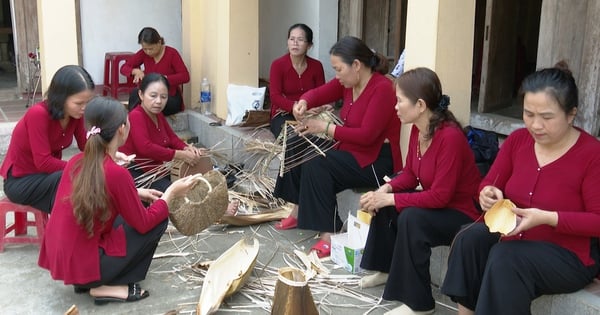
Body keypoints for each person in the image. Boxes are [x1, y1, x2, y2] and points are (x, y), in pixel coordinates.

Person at [441, 62, 600, 315]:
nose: (536, 125)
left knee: (507, 258)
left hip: (569, 255)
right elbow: (489, 183)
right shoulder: (518, 141)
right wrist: (487, 194)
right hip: (514, 237)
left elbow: (597, 220)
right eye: (528, 114)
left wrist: (547, 218)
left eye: (547, 117)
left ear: (571, 114)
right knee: (469, 239)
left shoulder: (592, 154)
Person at [38, 96, 198, 305]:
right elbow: (143, 223)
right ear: (122, 129)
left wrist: (136, 192)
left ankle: (87, 280)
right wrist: (171, 193)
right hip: (86, 263)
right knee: (157, 218)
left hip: (64, 260)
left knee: (130, 212)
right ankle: (103, 285)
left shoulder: (76, 161)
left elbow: (99, 192)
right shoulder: (115, 173)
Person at [358, 67, 482, 315]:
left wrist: (391, 198)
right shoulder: (418, 128)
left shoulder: (450, 138)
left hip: (463, 213)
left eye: (400, 101)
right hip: (440, 205)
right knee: (385, 203)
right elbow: (411, 174)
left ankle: (420, 303)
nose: (395, 107)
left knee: (411, 217)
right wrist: (386, 188)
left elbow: (440, 196)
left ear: (421, 105)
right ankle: (385, 268)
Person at [273, 36, 403, 256]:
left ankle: (330, 232)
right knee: (296, 141)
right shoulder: (348, 83)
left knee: (317, 163)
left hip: (374, 160)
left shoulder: (382, 89)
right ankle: (298, 208)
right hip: (350, 150)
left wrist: (324, 128)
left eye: (339, 69)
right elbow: (321, 92)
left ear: (356, 66)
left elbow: (367, 137)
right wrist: (303, 101)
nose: (337, 75)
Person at [0, 65, 95, 213]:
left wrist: (109, 153)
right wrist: (80, 166)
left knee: (87, 180)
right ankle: (64, 229)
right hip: (21, 181)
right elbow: (43, 162)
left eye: (87, 102)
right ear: (61, 98)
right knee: (73, 179)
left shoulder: (75, 115)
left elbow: (86, 145)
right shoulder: (38, 115)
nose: (84, 108)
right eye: (79, 103)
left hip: (48, 177)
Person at [119, 73, 205, 192]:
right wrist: (179, 154)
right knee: (177, 193)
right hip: (138, 173)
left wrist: (187, 148)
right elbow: (145, 148)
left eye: (163, 97)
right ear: (141, 94)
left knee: (195, 182)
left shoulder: (158, 114)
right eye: (153, 96)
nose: (159, 101)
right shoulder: (136, 116)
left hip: (156, 170)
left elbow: (172, 138)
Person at [269, 23, 325, 137]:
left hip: (310, 112)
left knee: (325, 135)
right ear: (287, 42)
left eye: (300, 39)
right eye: (292, 39)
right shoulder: (278, 65)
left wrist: (321, 106)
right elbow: (275, 96)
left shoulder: (316, 66)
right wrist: (294, 107)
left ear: (309, 45)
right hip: (284, 113)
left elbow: (321, 93)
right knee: (294, 137)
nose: (295, 43)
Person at [121, 27, 190, 116]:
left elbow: (185, 76)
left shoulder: (172, 53)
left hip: (168, 98)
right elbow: (124, 68)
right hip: (149, 96)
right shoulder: (143, 53)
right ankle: (133, 120)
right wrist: (135, 71)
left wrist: (164, 79)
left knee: (151, 103)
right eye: (145, 49)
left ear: (159, 42)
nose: (148, 52)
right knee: (136, 93)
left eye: (151, 48)